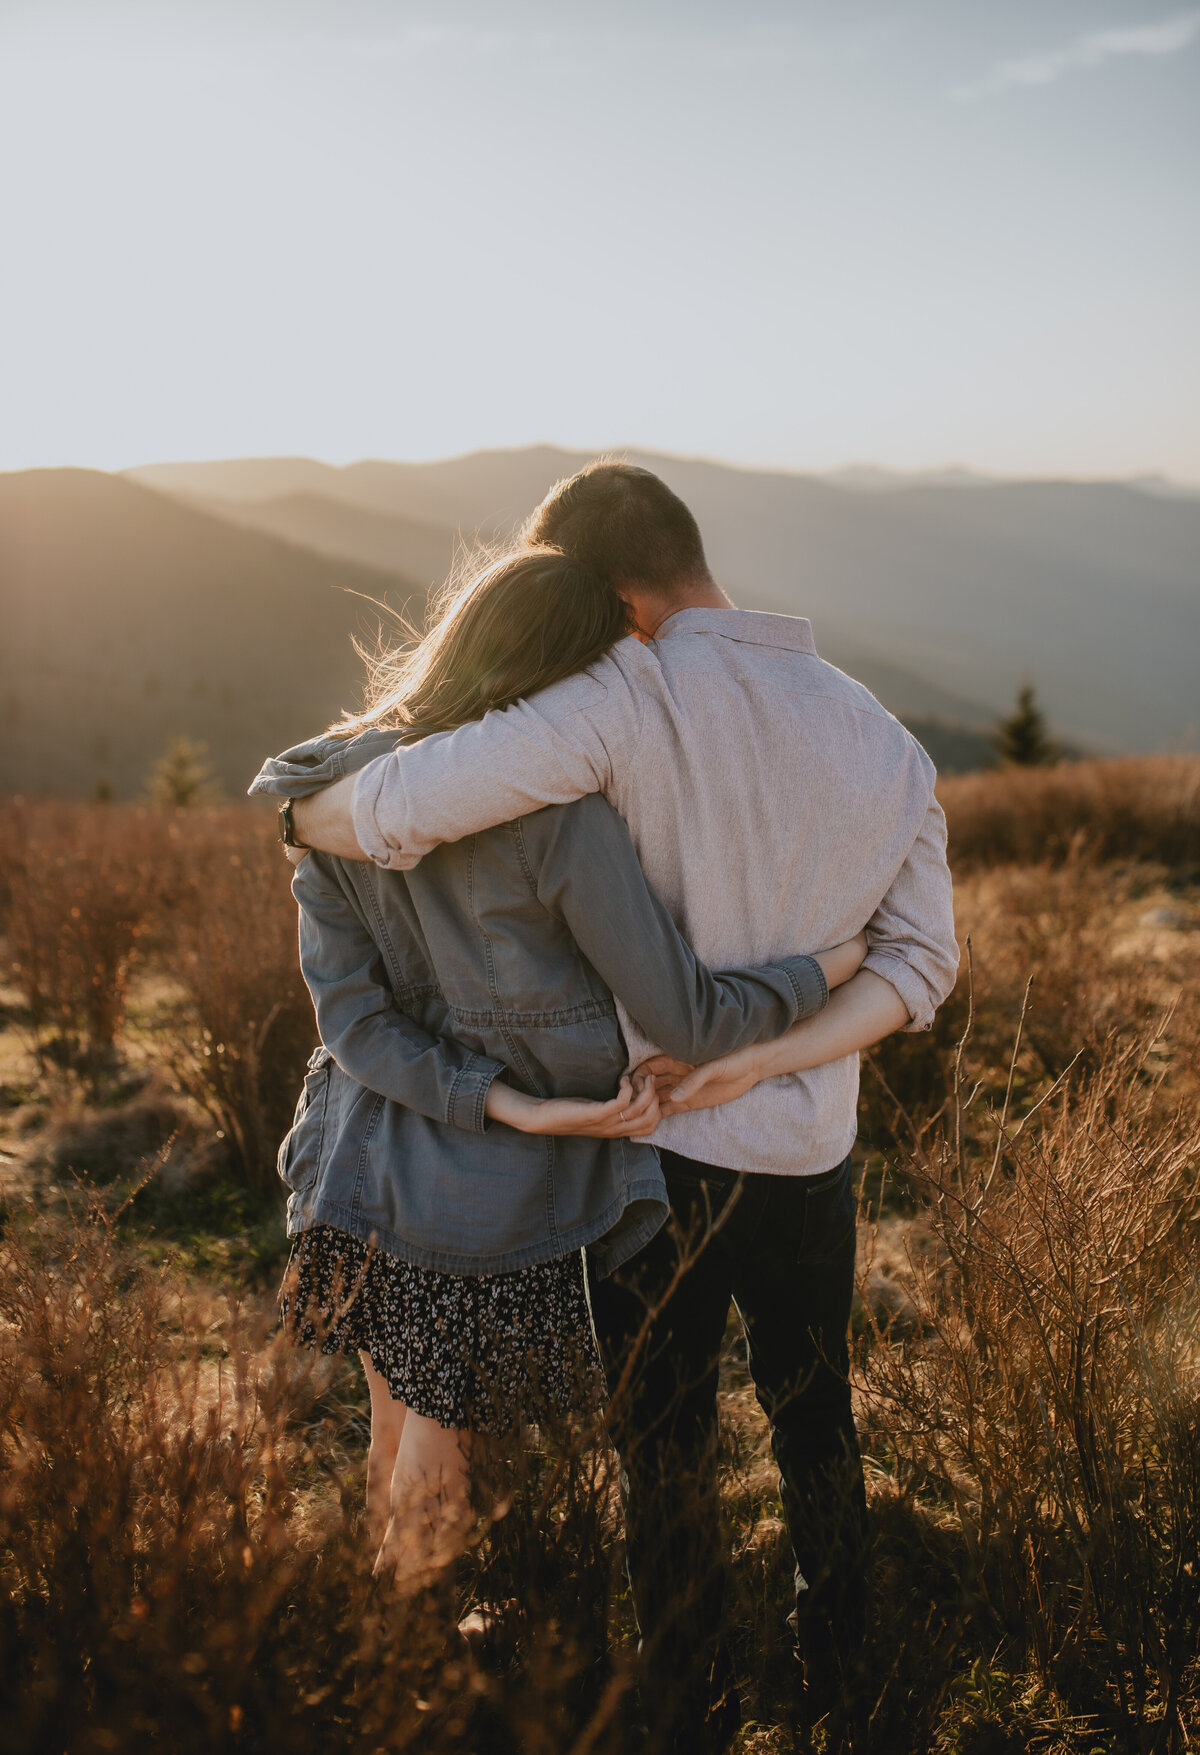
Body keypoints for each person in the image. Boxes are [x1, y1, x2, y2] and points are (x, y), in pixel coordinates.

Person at [289, 462, 959, 1750]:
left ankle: (692, 1699)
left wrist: (299, 806)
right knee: (818, 1414)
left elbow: (397, 807)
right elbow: (922, 964)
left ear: (601, 593)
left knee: (668, 1442)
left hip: (650, 1152)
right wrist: (772, 1060)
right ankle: (853, 1678)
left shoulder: (612, 697)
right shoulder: (884, 735)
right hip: (810, 1147)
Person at [249, 546, 866, 1611]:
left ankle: (386, 1648)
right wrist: (829, 967)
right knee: (440, 1450)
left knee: (396, 1417)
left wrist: (477, 1091)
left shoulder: (338, 783)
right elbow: (693, 1018)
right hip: (488, 1191)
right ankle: (411, 1683)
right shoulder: (559, 818)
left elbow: (350, 1018)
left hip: (353, 1158)